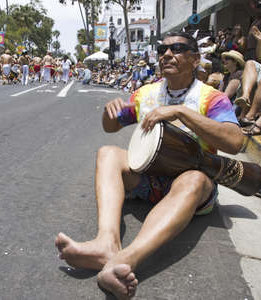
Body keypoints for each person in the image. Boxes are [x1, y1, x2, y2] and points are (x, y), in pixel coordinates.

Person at [55, 32, 243, 300]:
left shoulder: (211, 98)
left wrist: (181, 112)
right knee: (108, 152)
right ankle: (106, 242)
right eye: (162, 49)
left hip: (189, 190)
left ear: (195, 58)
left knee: (195, 179)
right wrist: (109, 111)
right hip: (150, 181)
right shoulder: (146, 93)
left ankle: (125, 261)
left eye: (177, 49)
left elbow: (236, 142)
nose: (167, 54)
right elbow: (112, 126)